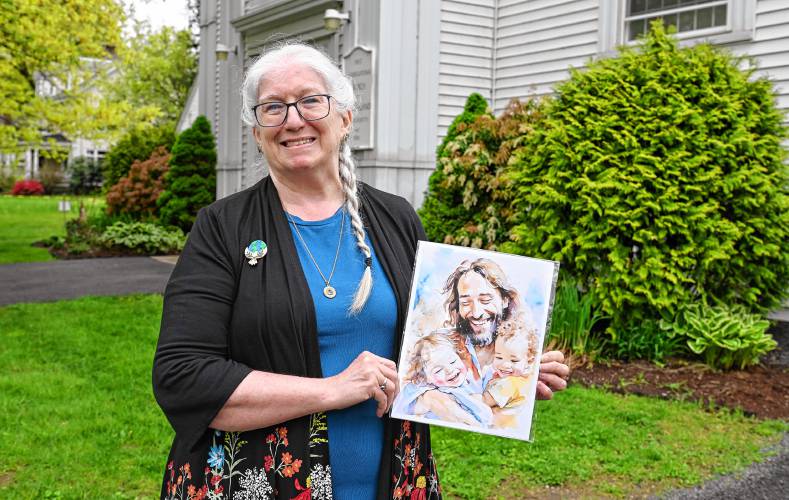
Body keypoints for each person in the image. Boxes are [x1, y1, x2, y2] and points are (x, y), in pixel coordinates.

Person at [152, 42, 569, 500]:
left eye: (311, 100)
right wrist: (331, 391)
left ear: (345, 118)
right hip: (254, 484)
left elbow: (431, 346)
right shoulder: (222, 228)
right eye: (273, 107)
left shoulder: (395, 218)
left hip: (394, 480)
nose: (293, 119)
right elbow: (183, 377)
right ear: (257, 132)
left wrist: (515, 368)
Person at [394, 331, 493, 427]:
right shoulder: (425, 395)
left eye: (453, 361)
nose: (450, 370)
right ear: (424, 378)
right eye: (438, 370)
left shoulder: (464, 386)